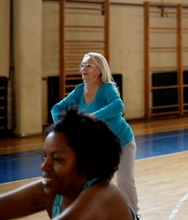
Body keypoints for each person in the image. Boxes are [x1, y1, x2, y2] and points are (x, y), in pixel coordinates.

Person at [0, 109, 137, 219]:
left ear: (89, 163)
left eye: (57, 159)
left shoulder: (105, 195)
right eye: (44, 156)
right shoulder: (51, 192)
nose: (44, 166)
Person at [50, 52, 139, 214]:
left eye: (89, 65)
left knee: (125, 181)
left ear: (99, 70)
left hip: (123, 142)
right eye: (83, 65)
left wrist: (93, 116)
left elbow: (118, 106)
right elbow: (56, 109)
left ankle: (132, 214)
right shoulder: (79, 91)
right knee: (92, 183)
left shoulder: (107, 89)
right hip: (101, 147)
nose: (84, 68)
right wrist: (62, 127)